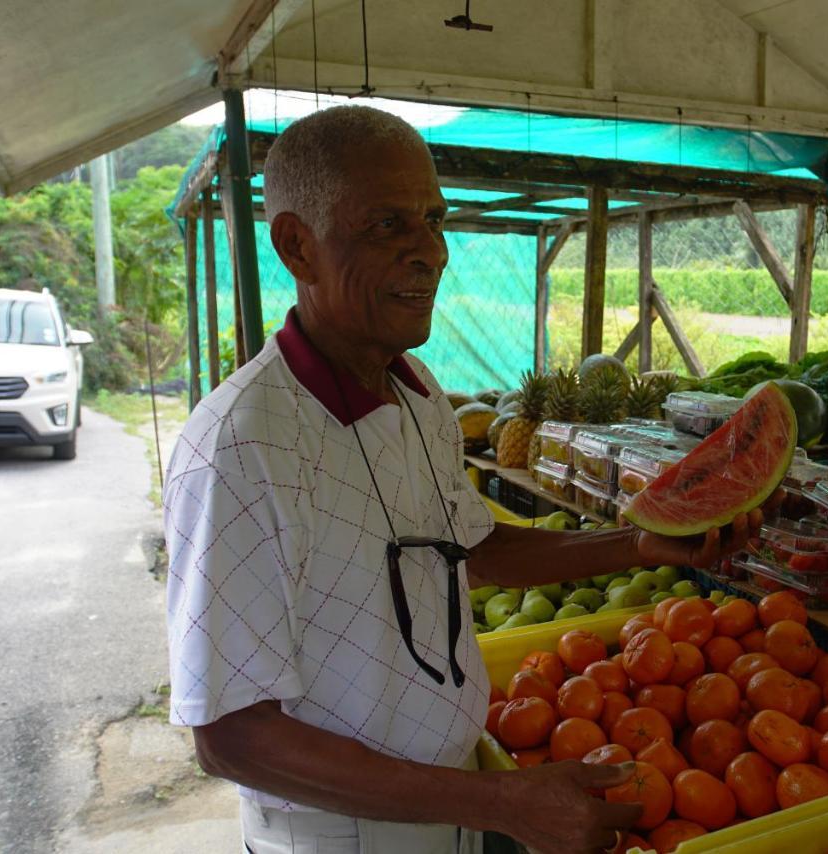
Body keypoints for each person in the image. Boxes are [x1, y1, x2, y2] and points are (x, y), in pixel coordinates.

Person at [162, 105, 760, 854]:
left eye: (435, 219)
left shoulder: (414, 390)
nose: (432, 252)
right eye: (388, 225)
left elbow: (468, 549)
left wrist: (636, 543)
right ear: (297, 247)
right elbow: (230, 736)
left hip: (452, 805)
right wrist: (502, 799)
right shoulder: (240, 448)